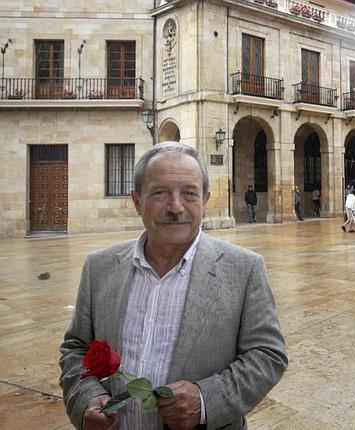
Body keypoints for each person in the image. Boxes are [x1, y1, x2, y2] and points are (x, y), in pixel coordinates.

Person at [59, 142, 288, 430]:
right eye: (159, 193)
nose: (175, 207)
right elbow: (76, 348)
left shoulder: (244, 269)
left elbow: (267, 355)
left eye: (189, 193)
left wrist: (206, 400)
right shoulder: (99, 267)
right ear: (136, 201)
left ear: (204, 200)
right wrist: (86, 400)